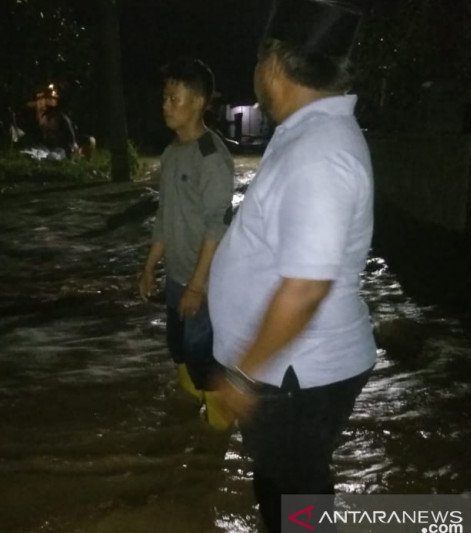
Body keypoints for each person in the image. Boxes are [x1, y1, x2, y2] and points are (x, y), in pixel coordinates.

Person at [207, 0, 376, 531]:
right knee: (283, 486)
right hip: (290, 369)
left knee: (296, 499)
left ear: (274, 64)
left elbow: (305, 287)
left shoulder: (320, 151)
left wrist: (244, 372)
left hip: (295, 373)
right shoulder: (306, 133)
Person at [137, 57, 235, 428]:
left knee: (199, 352)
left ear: (197, 102)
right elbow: (164, 217)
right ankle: (187, 410)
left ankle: (218, 433)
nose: (165, 105)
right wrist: (149, 268)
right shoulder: (170, 152)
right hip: (178, 276)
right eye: (164, 98)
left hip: (206, 280)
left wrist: (197, 285)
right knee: (177, 347)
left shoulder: (211, 157)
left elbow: (217, 225)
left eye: (173, 98)